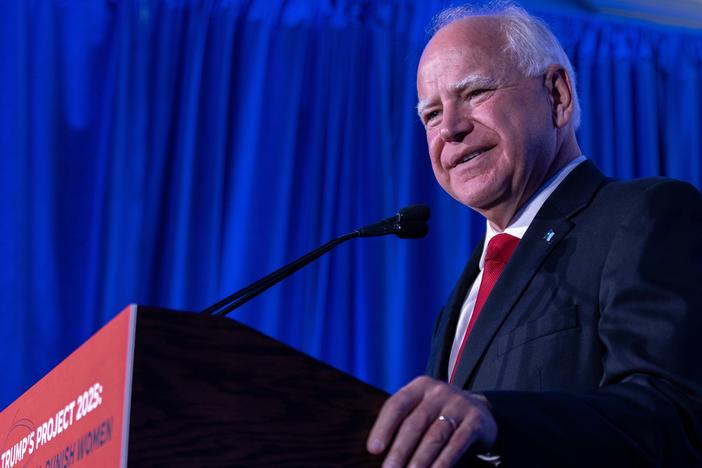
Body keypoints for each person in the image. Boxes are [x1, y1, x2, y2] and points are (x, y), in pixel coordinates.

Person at [366, 3, 702, 467]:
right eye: (431, 114)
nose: (450, 129)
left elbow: (674, 418)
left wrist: (499, 418)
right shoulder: (462, 296)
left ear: (558, 96)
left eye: (476, 92)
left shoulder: (644, 216)